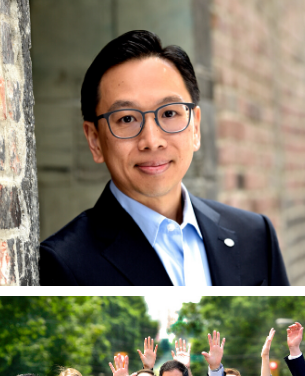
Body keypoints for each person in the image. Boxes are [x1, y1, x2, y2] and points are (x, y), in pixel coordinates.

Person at [38, 29, 289, 285]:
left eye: (169, 113)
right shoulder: (63, 263)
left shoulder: (255, 236)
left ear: (195, 127)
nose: (152, 141)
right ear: (94, 140)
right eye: (126, 119)